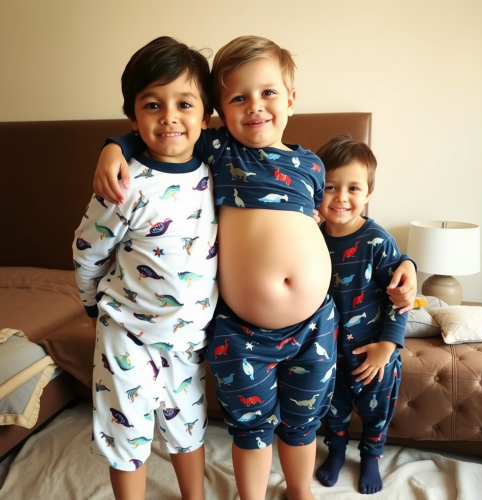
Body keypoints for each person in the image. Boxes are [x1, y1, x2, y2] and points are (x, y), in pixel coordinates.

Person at [91, 36, 417, 500]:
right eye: (238, 98)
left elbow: (346, 225)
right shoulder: (219, 150)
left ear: (291, 99)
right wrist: (114, 146)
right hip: (242, 331)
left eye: (267, 93)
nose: (255, 106)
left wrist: (405, 262)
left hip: (314, 325)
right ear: (218, 113)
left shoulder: (312, 165)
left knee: (303, 422)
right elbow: (167, 131)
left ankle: (299, 490)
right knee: (251, 426)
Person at [72, 37, 217, 500]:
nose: (169, 116)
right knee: (126, 437)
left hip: (189, 336)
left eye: (184, 104)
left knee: (189, 427)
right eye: (152, 105)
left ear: (206, 116)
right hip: (126, 333)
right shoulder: (123, 184)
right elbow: (87, 251)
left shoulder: (221, 170)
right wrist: (90, 305)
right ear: (133, 117)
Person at [315, 134, 411, 495]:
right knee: (333, 409)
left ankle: (371, 456)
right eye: (330, 187)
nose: (341, 197)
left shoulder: (377, 240)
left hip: (374, 350)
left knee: (376, 411)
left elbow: (399, 299)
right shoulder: (310, 236)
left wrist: (388, 346)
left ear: (368, 192)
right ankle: (337, 451)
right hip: (327, 351)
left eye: (353, 188)